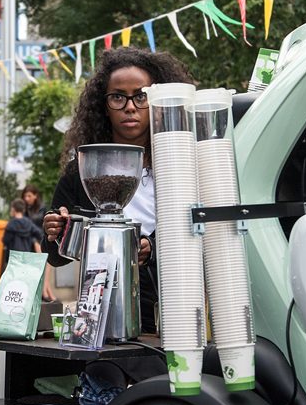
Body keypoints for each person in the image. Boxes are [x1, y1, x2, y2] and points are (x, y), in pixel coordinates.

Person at [43, 47, 196, 333]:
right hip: (99, 317)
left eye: (141, 96)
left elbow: (197, 233)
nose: (130, 106)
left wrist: (152, 249)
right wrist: (56, 231)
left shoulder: (180, 164)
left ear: (159, 101)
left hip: (173, 311)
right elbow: (55, 255)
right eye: (118, 97)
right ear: (103, 105)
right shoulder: (81, 169)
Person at [22, 184, 53, 301]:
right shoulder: (25, 209)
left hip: (42, 239)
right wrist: (34, 241)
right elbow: (26, 227)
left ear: (35, 196)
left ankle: (46, 289)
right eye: (25, 196)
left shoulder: (42, 208)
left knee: (48, 261)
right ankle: (44, 291)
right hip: (31, 240)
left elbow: (45, 225)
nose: (26, 198)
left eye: (29, 196)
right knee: (42, 260)